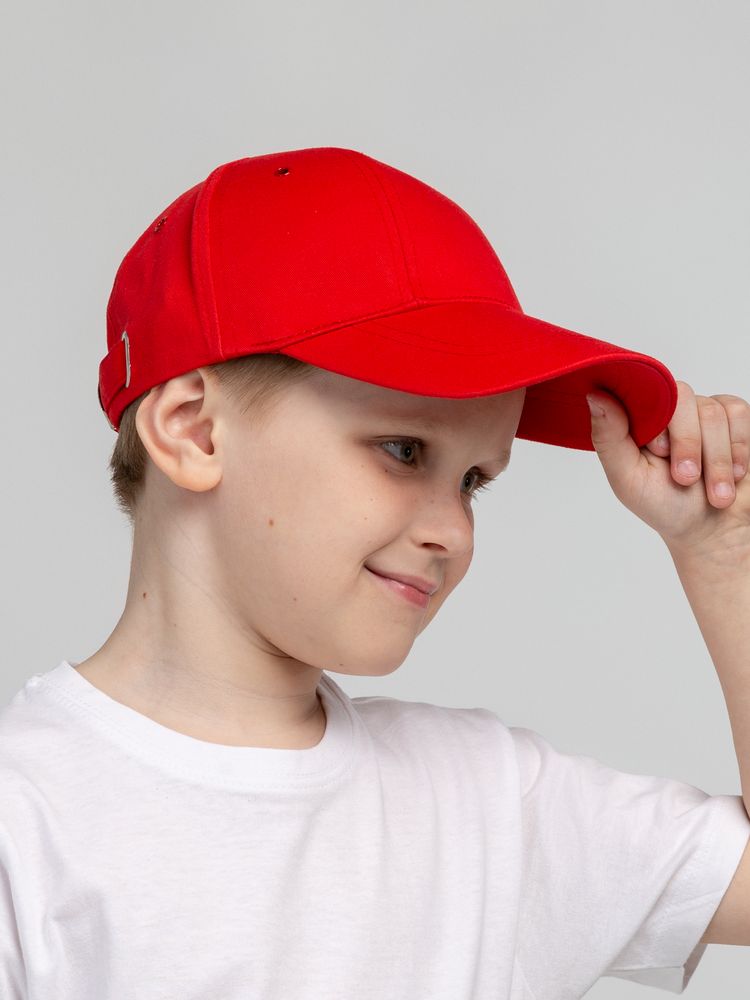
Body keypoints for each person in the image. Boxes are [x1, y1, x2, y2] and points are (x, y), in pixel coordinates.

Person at [1, 146, 749, 999]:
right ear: (195, 431)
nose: (454, 532)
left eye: (474, 482)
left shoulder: (486, 803)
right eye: (403, 450)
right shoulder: (27, 820)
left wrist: (724, 555)